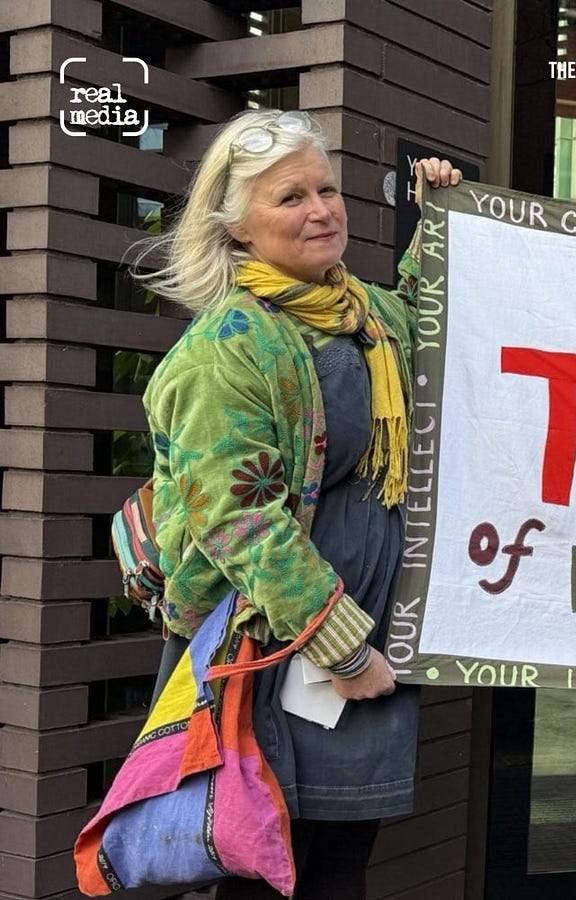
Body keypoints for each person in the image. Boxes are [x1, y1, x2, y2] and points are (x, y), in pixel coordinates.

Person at [135, 108, 462, 900]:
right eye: (290, 197)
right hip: (280, 658)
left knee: (337, 873)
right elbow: (242, 524)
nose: (321, 209)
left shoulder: (364, 314)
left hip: (365, 650)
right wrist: (344, 650)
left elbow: (425, 318)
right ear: (238, 227)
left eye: (327, 188)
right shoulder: (226, 349)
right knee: (266, 877)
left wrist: (442, 218)